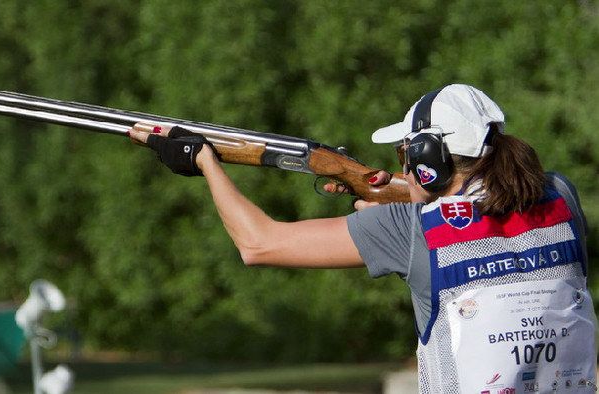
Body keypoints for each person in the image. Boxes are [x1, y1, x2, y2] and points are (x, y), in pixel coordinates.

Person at [129, 84, 597, 393]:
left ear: (427, 157)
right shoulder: (560, 196)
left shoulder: (408, 230)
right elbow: (487, 228)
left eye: (405, 153)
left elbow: (258, 243)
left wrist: (205, 161)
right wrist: (398, 202)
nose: (405, 165)